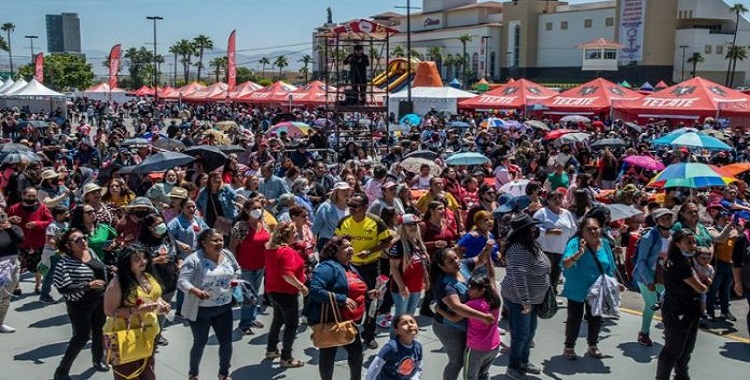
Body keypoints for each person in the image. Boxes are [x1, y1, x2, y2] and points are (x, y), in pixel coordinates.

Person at [305, 236, 380, 380]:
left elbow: (351, 288)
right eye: (345, 247)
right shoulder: (326, 267)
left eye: (351, 246)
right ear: (334, 251)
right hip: (331, 320)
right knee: (328, 353)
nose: (351, 249)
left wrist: (368, 294)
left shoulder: (349, 266)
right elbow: (314, 290)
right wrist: (342, 299)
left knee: (356, 353)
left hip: (349, 321)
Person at [177, 228, 241, 380]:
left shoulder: (228, 255)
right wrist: (195, 291)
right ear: (203, 243)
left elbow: (237, 269)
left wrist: (236, 280)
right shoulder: (193, 260)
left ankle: (224, 374)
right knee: (200, 342)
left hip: (224, 307)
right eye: (214, 240)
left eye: (220, 240)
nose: (219, 243)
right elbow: (182, 281)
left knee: (226, 342)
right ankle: (193, 373)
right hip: (201, 310)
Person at [103, 245, 171, 380]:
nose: (143, 261)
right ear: (127, 262)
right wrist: (138, 310)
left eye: (144, 257)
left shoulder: (147, 275)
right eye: (137, 259)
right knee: (127, 374)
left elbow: (155, 296)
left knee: (148, 370)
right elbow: (110, 311)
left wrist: (162, 305)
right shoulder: (117, 283)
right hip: (123, 335)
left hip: (149, 331)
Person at [334, 192, 393, 349]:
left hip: (371, 266)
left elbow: (388, 241)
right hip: (350, 267)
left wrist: (372, 250)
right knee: (348, 300)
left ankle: (369, 334)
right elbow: (336, 242)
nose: (351, 209)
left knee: (372, 301)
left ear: (366, 207)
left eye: (355, 206)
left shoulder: (376, 222)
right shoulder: (344, 222)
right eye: (349, 205)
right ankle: (349, 331)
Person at [52, 229, 110, 380]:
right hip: (79, 305)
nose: (83, 241)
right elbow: (63, 288)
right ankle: (62, 371)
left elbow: (100, 267)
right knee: (81, 336)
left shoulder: (90, 251)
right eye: (78, 240)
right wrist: (88, 285)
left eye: (84, 238)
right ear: (68, 245)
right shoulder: (64, 263)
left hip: (99, 299)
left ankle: (98, 359)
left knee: (99, 330)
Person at [429, 247, 494, 380]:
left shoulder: (462, 266)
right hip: (449, 327)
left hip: (466, 322)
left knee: (473, 360)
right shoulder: (445, 284)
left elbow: (480, 259)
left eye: (456, 258)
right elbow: (457, 307)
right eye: (450, 261)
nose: (456, 262)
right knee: (457, 361)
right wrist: (483, 316)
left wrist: (487, 249)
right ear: (442, 266)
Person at [561, 216, 618, 360]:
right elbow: (566, 264)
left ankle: (592, 344)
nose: (593, 231)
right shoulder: (575, 243)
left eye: (596, 228)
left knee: (596, 318)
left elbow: (610, 266)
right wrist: (579, 253)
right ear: (582, 231)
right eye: (589, 229)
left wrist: (615, 283)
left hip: (598, 289)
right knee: (574, 318)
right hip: (577, 288)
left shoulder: (605, 244)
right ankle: (569, 347)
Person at [655, 229, 709, 380]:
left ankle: (682, 375)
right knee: (673, 349)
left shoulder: (687, 259)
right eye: (688, 243)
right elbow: (701, 288)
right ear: (678, 244)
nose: (693, 246)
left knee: (687, 348)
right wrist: (705, 283)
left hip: (691, 308)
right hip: (678, 310)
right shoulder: (679, 264)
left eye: (694, 242)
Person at [501, 213, 550, 379]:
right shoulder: (517, 250)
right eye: (532, 228)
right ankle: (513, 367)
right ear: (524, 231)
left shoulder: (532, 245)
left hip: (534, 299)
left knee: (529, 333)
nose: (536, 229)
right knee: (520, 334)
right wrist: (525, 301)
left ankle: (524, 361)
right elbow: (518, 278)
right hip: (520, 299)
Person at [263, 221, 307, 368]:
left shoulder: (270, 249)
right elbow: (286, 274)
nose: (296, 235)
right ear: (286, 235)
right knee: (292, 324)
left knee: (278, 318)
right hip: (286, 292)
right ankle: (286, 357)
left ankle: (271, 349)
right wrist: (301, 286)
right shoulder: (286, 251)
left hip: (272, 290)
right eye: (293, 233)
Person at [137, 213, 181, 346]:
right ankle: (145, 338)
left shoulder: (168, 238)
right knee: (150, 313)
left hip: (169, 282)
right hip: (151, 286)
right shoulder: (142, 244)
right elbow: (137, 264)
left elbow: (177, 253)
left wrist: (180, 263)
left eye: (162, 222)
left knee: (162, 312)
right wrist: (155, 260)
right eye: (157, 224)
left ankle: (157, 335)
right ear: (150, 227)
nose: (162, 226)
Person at [229, 197, 271, 335]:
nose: (257, 210)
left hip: (261, 264)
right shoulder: (241, 226)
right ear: (246, 210)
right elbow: (232, 247)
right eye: (254, 208)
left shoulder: (263, 223)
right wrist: (235, 266)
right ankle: (244, 323)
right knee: (248, 295)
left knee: (254, 294)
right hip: (244, 266)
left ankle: (252, 318)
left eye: (259, 207)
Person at [632, 208, 673, 347]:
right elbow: (641, 261)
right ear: (657, 221)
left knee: (668, 302)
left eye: (669, 217)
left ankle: (670, 332)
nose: (667, 221)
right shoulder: (649, 237)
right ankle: (644, 333)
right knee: (652, 304)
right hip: (646, 274)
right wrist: (649, 281)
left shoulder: (673, 235)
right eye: (663, 218)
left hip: (663, 274)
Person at [8, 186, 54, 294]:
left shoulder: (41, 207)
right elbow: (6, 221)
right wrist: (11, 219)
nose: (32, 198)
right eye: (29, 196)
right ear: (23, 195)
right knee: (17, 266)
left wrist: (37, 224)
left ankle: (38, 285)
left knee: (39, 265)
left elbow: (49, 220)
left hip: (37, 241)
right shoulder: (14, 208)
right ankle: (16, 286)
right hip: (19, 242)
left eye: (34, 196)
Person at [533, 189, 577, 294]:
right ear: (548, 200)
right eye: (554, 199)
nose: (558, 200)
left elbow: (573, 228)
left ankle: (551, 300)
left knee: (555, 277)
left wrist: (569, 240)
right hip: (545, 251)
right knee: (544, 277)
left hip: (561, 250)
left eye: (560, 198)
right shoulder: (541, 213)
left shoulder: (566, 213)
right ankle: (540, 300)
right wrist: (549, 231)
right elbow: (534, 229)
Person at [388, 214, 430, 324]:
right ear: (402, 227)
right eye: (409, 224)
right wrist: (402, 287)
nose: (413, 227)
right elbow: (394, 268)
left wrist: (426, 279)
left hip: (416, 286)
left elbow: (423, 263)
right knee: (400, 318)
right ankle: (394, 340)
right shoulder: (398, 246)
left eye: (415, 224)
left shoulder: (418, 243)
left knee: (410, 316)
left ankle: (407, 340)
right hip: (402, 287)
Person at [464, 275, 502, 380]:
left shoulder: (473, 304)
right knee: (483, 375)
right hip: (494, 345)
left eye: (472, 288)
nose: (468, 291)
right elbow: (492, 277)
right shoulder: (495, 299)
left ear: (482, 290)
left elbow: (455, 314)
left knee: (470, 377)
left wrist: (438, 310)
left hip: (477, 348)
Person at [365, 314, 423, 380]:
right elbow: (375, 367)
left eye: (412, 322)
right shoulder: (391, 347)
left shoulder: (418, 346)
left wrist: (415, 378)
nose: (410, 325)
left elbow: (418, 367)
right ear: (396, 331)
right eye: (404, 323)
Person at [39, 205, 70, 304]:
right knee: (50, 275)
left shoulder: (66, 224)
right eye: (65, 214)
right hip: (53, 254)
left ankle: (67, 293)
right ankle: (44, 295)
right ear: (58, 215)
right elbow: (49, 241)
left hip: (64, 253)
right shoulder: (52, 226)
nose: (67, 215)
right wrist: (60, 247)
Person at [0, 207, 24, 333]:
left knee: (5, 297)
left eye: (2, 214)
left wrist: (9, 229)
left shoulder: (13, 228)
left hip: (12, 265)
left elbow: (20, 240)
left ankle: (0, 322)